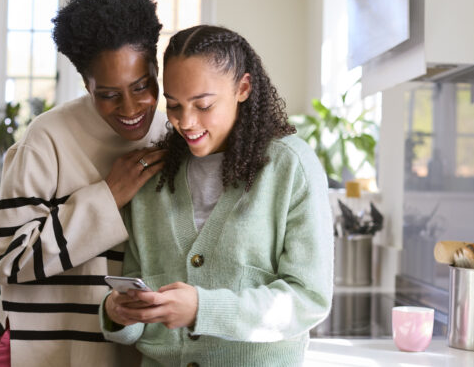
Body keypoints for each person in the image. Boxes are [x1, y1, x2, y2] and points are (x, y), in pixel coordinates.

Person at [101, 25, 334, 366]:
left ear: (243, 87)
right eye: (174, 106)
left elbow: (308, 298)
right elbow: (138, 307)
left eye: (203, 105)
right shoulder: (153, 179)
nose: (186, 122)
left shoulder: (290, 166)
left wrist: (202, 309)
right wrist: (116, 312)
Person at [0, 0, 168, 366]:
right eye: (109, 95)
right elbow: (6, 261)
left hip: (129, 353)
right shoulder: (46, 139)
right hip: (46, 353)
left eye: (142, 86)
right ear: (86, 83)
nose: (130, 109)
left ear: (156, 70)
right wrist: (107, 198)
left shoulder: (172, 137)